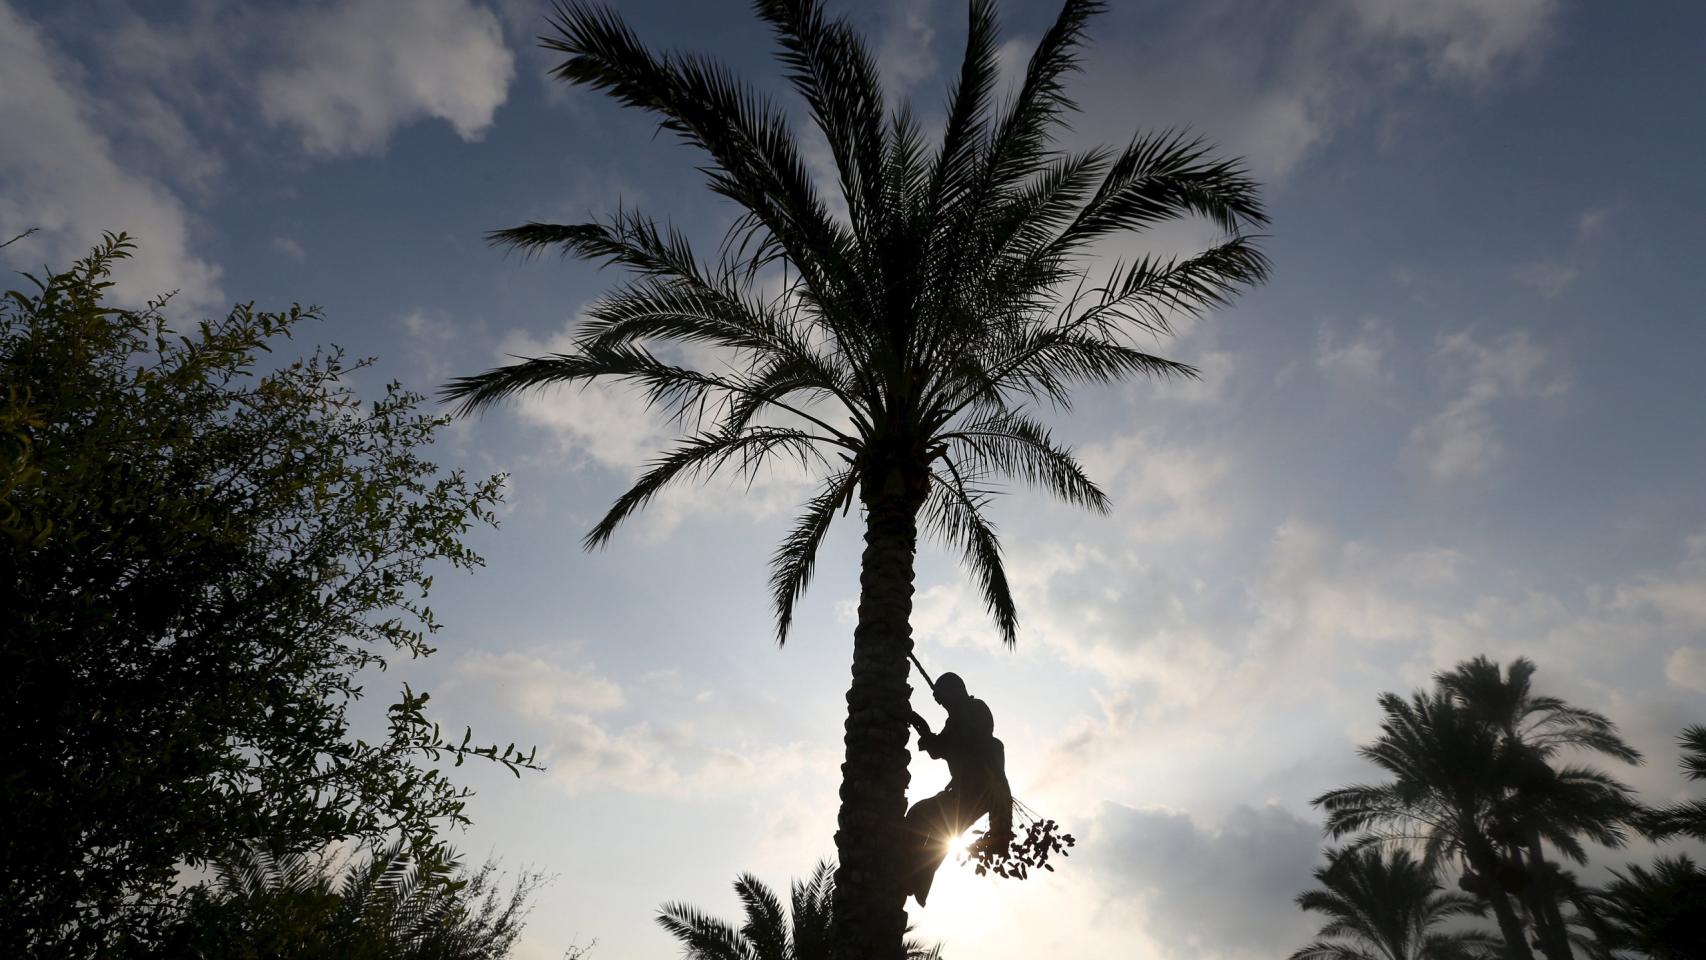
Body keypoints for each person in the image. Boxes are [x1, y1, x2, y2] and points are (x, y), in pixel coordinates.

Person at [901, 672, 1012, 907]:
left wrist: (940, 738)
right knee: (921, 818)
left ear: (956, 691)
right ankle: (914, 873)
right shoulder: (954, 721)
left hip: (976, 794)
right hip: (961, 794)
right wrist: (924, 730)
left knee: (938, 830)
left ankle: (916, 876)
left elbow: (969, 739)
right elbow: (941, 749)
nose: (941, 703)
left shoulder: (975, 710)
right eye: (939, 700)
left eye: (942, 697)